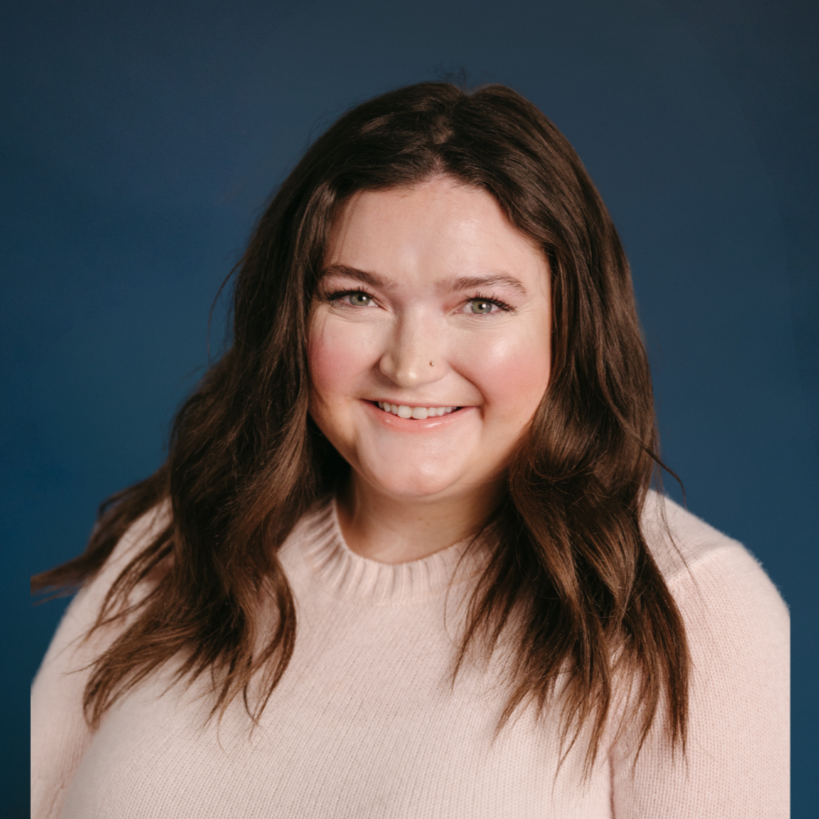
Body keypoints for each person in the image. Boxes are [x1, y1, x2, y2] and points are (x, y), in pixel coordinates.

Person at [31, 82, 788, 818]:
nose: (410, 361)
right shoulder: (174, 538)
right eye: (355, 296)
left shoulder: (688, 605)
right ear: (291, 318)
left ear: (570, 327)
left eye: (481, 303)